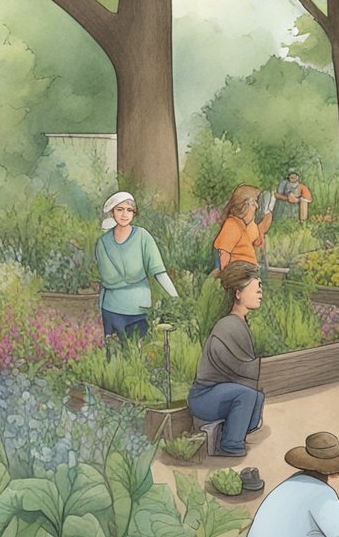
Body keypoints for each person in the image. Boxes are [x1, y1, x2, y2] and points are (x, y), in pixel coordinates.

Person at [189, 262, 265, 457]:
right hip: (204, 397)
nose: (260, 292)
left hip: (221, 392)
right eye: (255, 287)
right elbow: (242, 368)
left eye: (260, 287)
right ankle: (230, 445)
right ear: (238, 293)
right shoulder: (228, 326)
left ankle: (228, 430)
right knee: (247, 394)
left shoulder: (239, 323)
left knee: (256, 396)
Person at [94, 191, 178, 343]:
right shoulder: (103, 243)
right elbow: (108, 277)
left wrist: (176, 298)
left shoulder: (143, 237)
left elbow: (159, 272)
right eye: (120, 209)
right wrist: (135, 278)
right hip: (112, 309)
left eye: (129, 210)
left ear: (134, 213)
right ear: (112, 213)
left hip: (140, 309)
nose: (125, 214)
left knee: (136, 355)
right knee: (114, 355)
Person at [213, 185, 274, 270]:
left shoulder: (245, 225)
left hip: (247, 273)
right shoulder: (232, 225)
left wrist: (268, 214)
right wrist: (226, 277)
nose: (256, 206)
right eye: (253, 203)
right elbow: (224, 254)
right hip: (238, 275)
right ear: (244, 207)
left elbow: (257, 237)